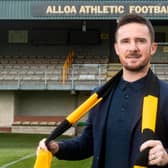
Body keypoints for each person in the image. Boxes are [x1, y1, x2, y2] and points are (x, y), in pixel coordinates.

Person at [36, 14, 168, 168]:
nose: (133, 48)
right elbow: (88, 144)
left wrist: (166, 156)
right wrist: (57, 148)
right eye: (125, 41)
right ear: (117, 48)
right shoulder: (100, 95)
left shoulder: (165, 94)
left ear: (153, 48)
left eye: (141, 40)